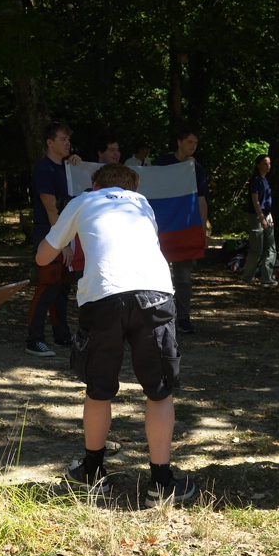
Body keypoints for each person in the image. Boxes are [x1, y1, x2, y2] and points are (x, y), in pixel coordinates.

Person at [39, 163, 197, 506]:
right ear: (134, 188)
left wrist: (65, 237)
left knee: (99, 390)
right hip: (154, 293)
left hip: (103, 296)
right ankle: (161, 483)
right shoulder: (142, 204)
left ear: (95, 183)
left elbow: (42, 257)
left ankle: (93, 474)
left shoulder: (83, 200)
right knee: (160, 391)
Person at [25, 122, 79, 356]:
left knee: (63, 287)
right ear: (50, 142)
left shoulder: (68, 168)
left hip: (66, 234)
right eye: (63, 139)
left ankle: (62, 334)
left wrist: (78, 166)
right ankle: (34, 339)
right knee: (48, 285)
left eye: (69, 139)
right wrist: (63, 243)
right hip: (49, 234)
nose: (68, 143)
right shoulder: (44, 169)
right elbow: (51, 209)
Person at [153, 130, 210, 334]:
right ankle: (159, 317)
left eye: (195, 142)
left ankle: (184, 318)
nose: (193, 146)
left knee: (184, 278)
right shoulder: (163, 162)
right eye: (189, 141)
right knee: (158, 275)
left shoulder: (197, 169)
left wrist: (203, 231)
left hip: (186, 229)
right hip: (161, 228)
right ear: (179, 142)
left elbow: (202, 201)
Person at [241, 154, 276, 286]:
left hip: (267, 215)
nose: (268, 166)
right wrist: (261, 217)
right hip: (256, 216)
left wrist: (269, 217)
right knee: (256, 248)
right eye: (265, 163)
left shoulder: (266, 180)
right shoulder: (255, 180)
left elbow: (267, 201)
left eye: (269, 163)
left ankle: (267, 277)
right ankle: (248, 276)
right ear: (258, 165)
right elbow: (255, 201)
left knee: (271, 248)